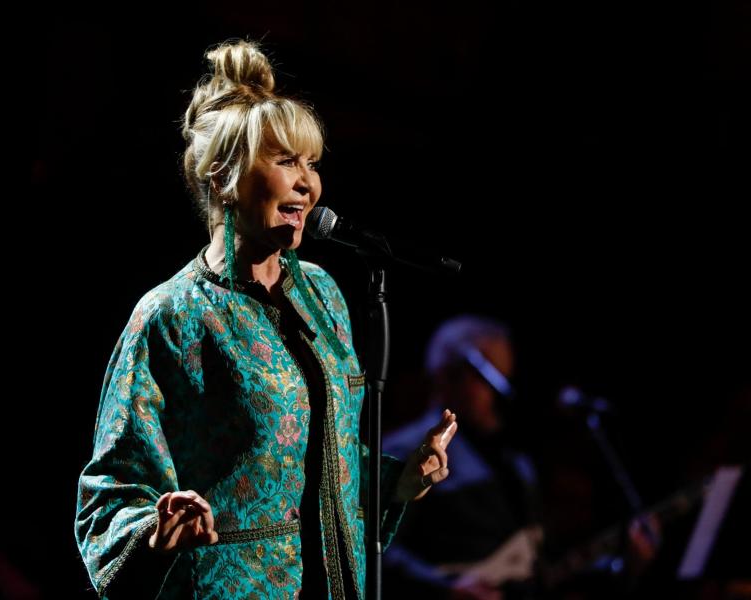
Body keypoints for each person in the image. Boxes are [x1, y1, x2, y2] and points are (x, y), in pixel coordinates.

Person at [74, 39, 458, 599]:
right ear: (223, 178)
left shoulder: (322, 294)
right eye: (285, 162)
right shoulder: (172, 316)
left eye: (312, 164)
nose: (309, 182)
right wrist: (154, 532)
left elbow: (321, 460)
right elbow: (110, 491)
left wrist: (401, 479)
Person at [383, 315, 658, 600]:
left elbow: (542, 569)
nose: (497, 393)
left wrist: (623, 568)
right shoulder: (407, 450)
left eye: (504, 376)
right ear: (446, 376)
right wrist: (444, 589)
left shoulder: (515, 461)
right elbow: (375, 545)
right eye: (486, 376)